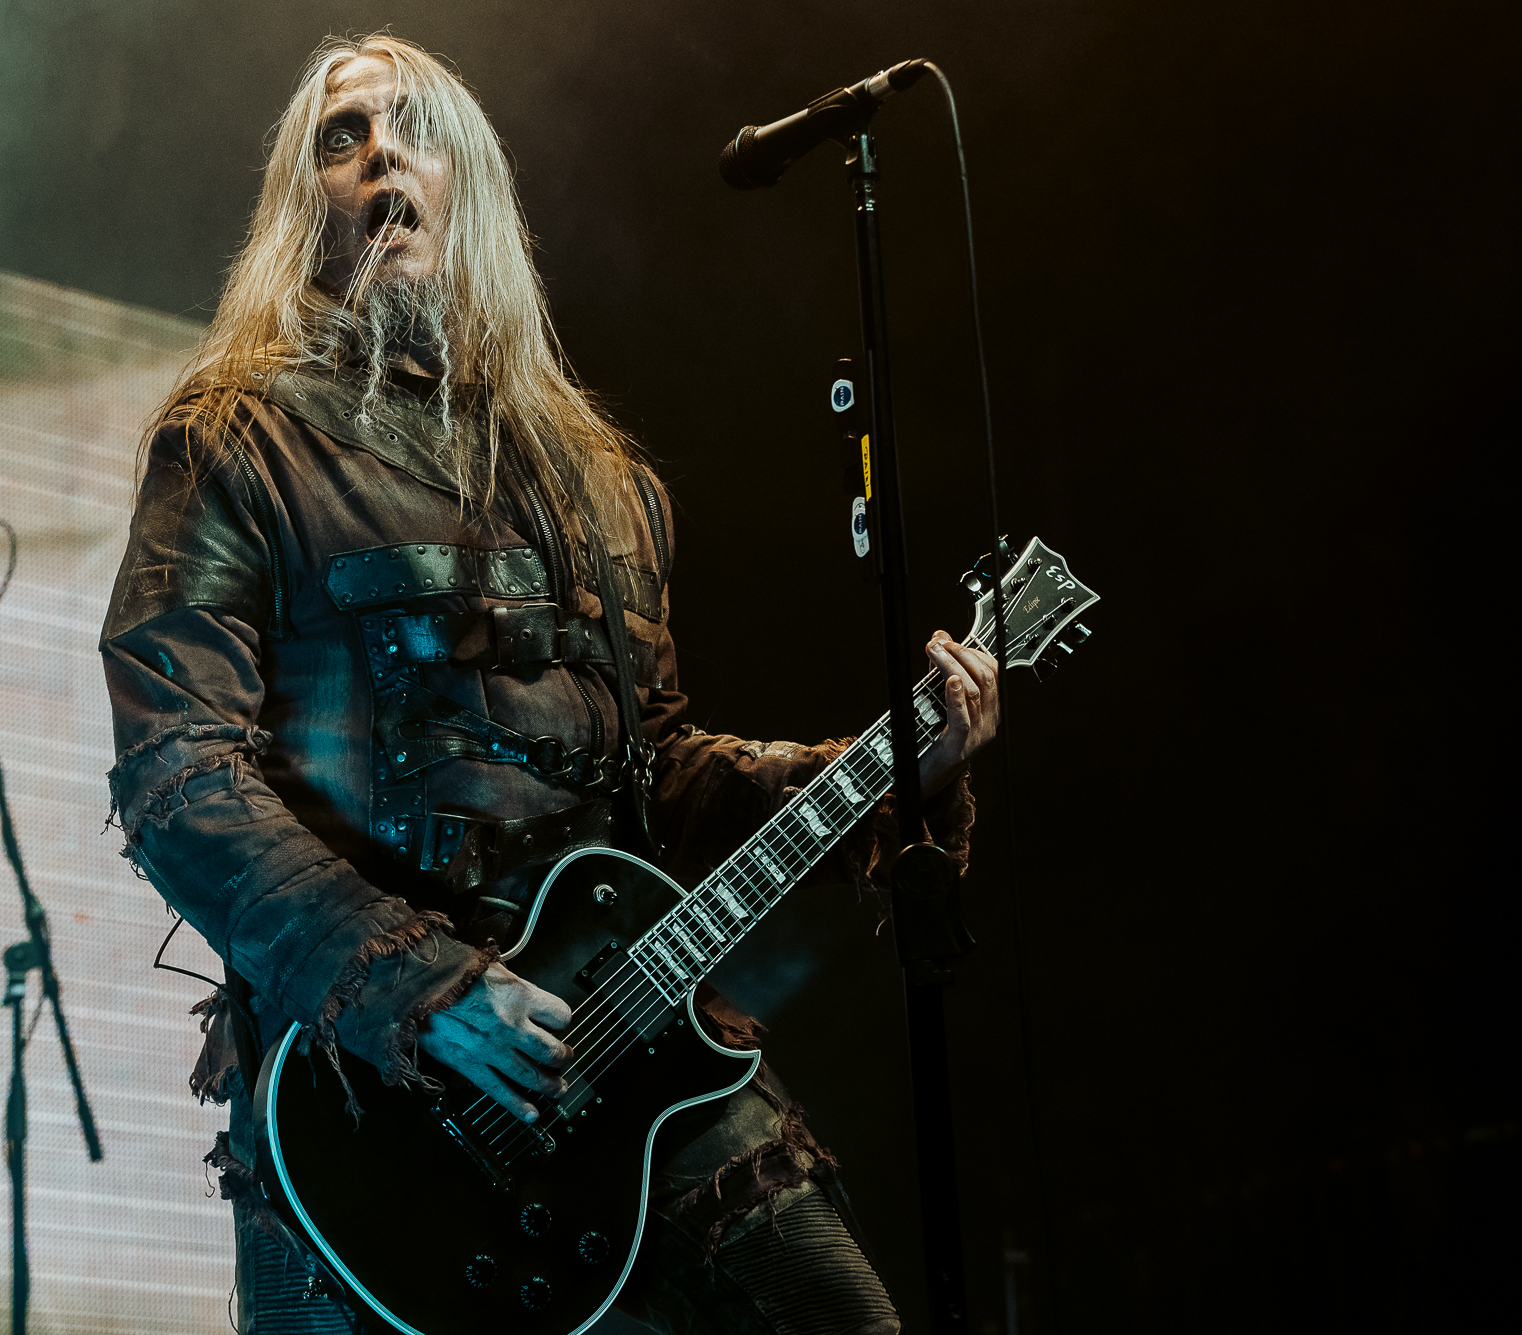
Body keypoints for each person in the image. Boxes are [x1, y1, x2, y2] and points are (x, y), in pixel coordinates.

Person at [101, 32, 998, 1335]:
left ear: (469, 182)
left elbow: (657, 772)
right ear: (307, 207)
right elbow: (178, 772)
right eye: (343, 139)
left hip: (623, 1046)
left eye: (414, 130)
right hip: (371, 1100)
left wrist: (883, 772)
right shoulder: (238, 442)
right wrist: (427, 986)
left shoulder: (601, 481)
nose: (382, 158)